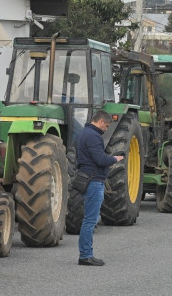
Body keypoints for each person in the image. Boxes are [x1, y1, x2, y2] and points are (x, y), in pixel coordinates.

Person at [76, 110, 123, 266]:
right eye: (106, 126)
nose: (106, 129)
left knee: (88, 219)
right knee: (90, 220)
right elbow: (100, 159)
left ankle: (85, 254)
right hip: (94, 181)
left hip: (85, 178)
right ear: (101, 121)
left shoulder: (82, 133)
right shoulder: (93, 136)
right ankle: (85, 255)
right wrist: (115, 158)